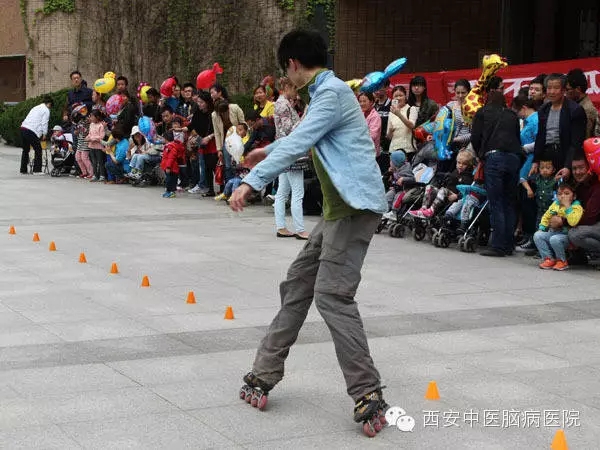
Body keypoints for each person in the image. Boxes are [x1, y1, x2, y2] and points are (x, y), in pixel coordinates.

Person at [229, 29, 390, 436]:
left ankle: (367, 393)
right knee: (298, 284)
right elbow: (305, 137)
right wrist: (268, 151)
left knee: (332, 295)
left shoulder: (331, 91)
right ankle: (265, 372)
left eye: (286, 69)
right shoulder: (325, 93)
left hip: (353, 210)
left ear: (293, 64)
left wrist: (253, 180)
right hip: (338, 213)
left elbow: (303, 136)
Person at [471, 90, 523, 257]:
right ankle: (508, 244)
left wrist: (481, 154)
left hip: (494, 158)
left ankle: (498, 246)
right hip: (514, 158)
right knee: (509, 202)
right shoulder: (512, 115)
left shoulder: (483, 112)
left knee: (496, 202)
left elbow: (475, 137)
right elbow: (517, 137)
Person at [530, 73, 586, 181]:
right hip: (546, 157)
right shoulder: (543, 109)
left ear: (564, 90)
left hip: (565, 154)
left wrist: (568, 166)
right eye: (549, 88)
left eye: (556, 88)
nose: (551, 92)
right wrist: (535, 161)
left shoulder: (574, 110)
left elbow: (576, 143)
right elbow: (540, 136)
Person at [273, 77, 309, 239]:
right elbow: (289, 129)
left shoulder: (282, 103)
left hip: (283, 149)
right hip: (291, 151)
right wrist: (304, 117)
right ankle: (300, 229)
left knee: (282, 191)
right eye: (295, 89)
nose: (296, 93)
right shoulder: (283, 104)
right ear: (287, 87)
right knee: (297, 192)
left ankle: (281, 226)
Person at [409, 149, 475, 219]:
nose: (460, 165)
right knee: (429, 187)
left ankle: (431, 211)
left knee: (443, 190)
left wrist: (457, 196)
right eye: (459, 163)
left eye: (464, 164)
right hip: (444, 194)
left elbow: (468, 191)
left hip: (454, 197)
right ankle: (423, 209)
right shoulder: (455, 172)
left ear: (468, 165)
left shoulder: (468, 176)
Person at [512, 94, 541, 251]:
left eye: (517, 112)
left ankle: (531, 237)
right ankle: (528, 235)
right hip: (526, 160)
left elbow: (540, 142)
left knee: (529, 202)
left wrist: (523, 148)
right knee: (524, 201)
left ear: (523, 108)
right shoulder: (529, 121)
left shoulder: (535, 120)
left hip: (531, 161)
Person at [534, 182, 583, 271]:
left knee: (555, 239)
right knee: (538, 235)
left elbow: (573, 222)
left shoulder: (576, 207)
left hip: (568, 235)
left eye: (567, 193)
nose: (563, 196)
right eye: (560, 194)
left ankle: (562, 261)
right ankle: (549, 259)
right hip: (554, 232)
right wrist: (542, 227)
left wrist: (567, 206)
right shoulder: (555, 204)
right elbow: (546, 215)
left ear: (574, 196)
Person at [568, 156, 600, 260]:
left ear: (590, 167)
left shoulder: (597, 185)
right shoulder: (580, 185)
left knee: (575, 234)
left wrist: (564, 221)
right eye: (574, 168)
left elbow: (590, 218)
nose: (577, 172)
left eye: (581, 167)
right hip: (592, 226)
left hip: (595, 223)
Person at [20, 96, 53, 175]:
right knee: (38, 149)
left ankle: (23, 169)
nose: (50, 108)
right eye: (50, 106)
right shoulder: (46, 110)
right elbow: (44, 123)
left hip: (23, 128)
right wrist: (44, 134)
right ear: (49, 104)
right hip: (31, 130)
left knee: (26, 150)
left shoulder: (36, 107)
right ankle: (37, 170)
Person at [566, 68, 598, 139]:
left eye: (567, 89)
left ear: (578, 89)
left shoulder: (586, 110)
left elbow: (584, 138)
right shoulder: (575, 105)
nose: (565, 93)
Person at [386, 86, 417, 158]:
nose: (398, 98)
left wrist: (399, 114)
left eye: (401, 95)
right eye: (395, 96)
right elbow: (389, 137)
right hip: (393, 151)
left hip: (408, 150)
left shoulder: (411, 109)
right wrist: (390, 131)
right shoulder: (391, 113)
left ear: (405, 96)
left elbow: (412, 126)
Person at [160, 130, 185, 198]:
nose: (162, 140)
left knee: (171, 181)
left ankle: (171, 192)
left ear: (166, 139)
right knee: (169, 180)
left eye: (163, 138)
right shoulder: (168, 146)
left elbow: (171, 158)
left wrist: (168, 167)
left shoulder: (171, 147)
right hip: (169, 167)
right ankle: (168, 191)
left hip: (172, 168)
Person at [358, 92, 382, 157]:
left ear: (371, 102)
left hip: (370, 153)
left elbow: (372, 135)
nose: (362, 104)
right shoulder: (359, 114)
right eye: (360, 101)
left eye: (364, 101)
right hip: (360, 152)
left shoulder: (375, 116)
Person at [85, 110, 106, 181]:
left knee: (100, 161)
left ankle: (102, 175)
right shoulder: (91, 125)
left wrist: (92, 139)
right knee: (93, 161)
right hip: (91, 146)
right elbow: (90, 133)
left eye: (92, 116)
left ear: (97, 117)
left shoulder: (101, 126)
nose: (91, 118)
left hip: (99, 146)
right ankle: (95, 175)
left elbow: (101, 137)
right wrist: (87, 137)